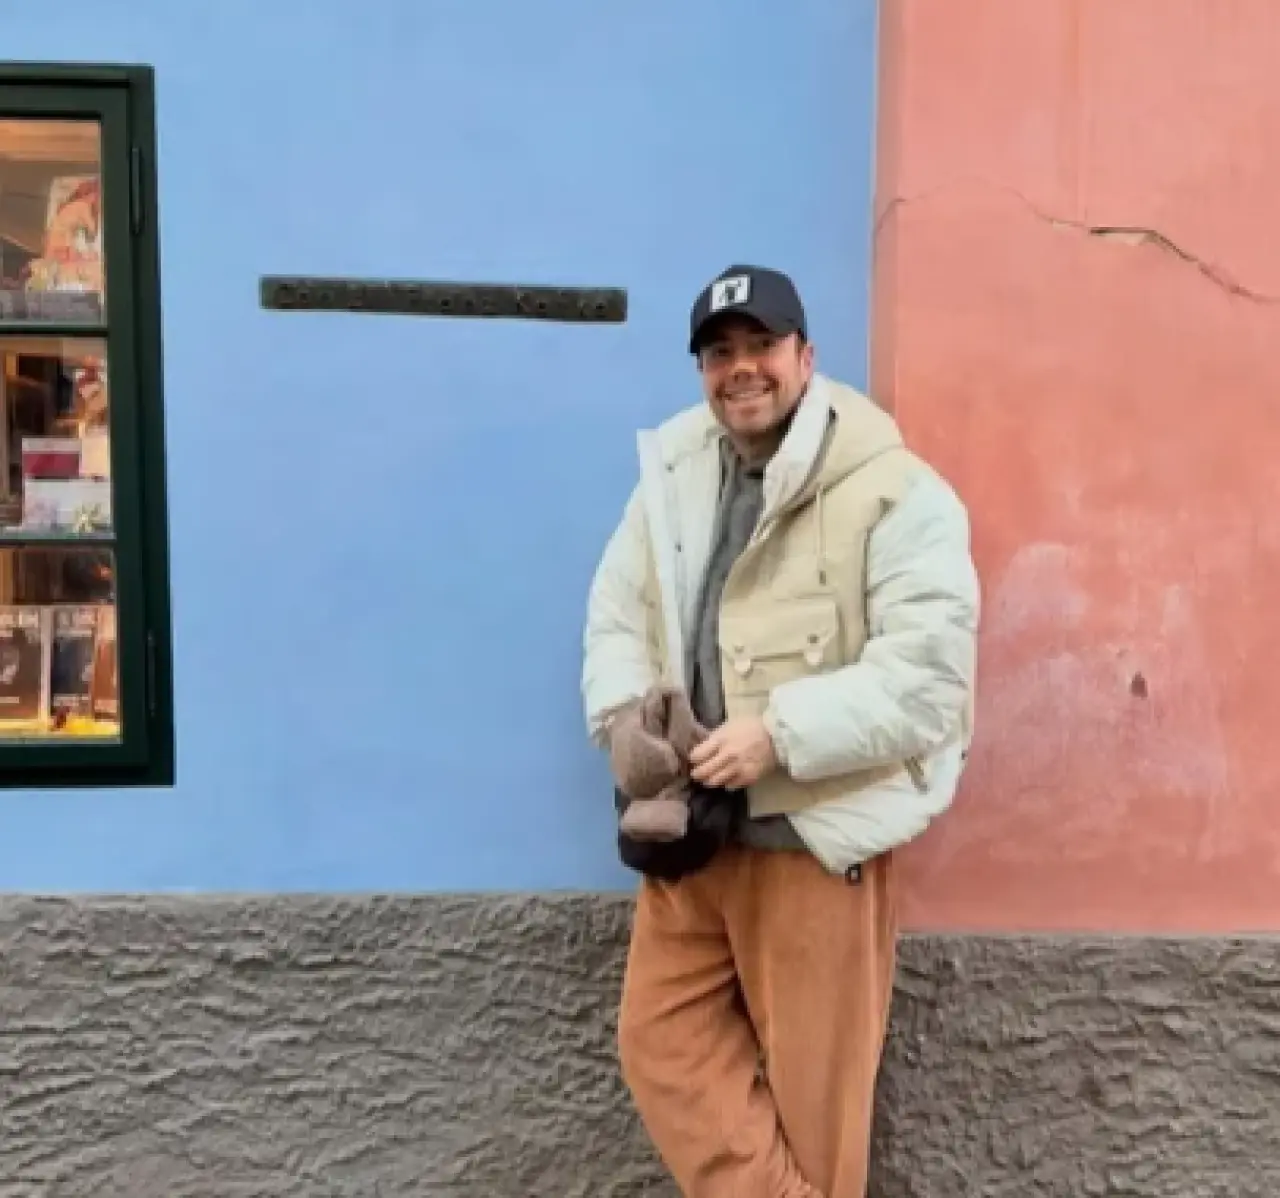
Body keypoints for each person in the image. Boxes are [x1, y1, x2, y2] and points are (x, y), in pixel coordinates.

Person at [581, 264, 980, 1197]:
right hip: (691, 841)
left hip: (813, 847)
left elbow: (928, 680)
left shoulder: (897, 490)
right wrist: (627, 721)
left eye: (762, 345)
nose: (741, 368)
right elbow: (618, 617)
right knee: (658, 1045)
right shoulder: (673, 476)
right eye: (720, 353)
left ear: (806, 355)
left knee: (816, 1110)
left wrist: (777, 735)